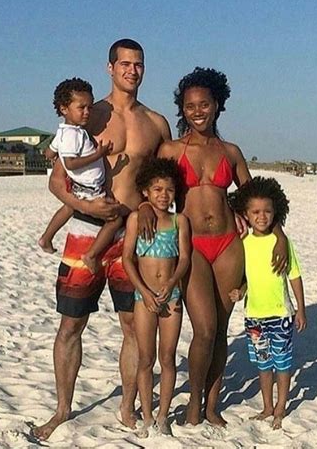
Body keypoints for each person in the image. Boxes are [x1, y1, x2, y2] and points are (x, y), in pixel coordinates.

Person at [32, 39, 171, 441]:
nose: (132, 70)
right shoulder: (90, 116)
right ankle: (62, 409)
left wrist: (146, 206)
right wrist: (87, 207)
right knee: (71, 325)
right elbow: (57, 181)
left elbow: (160, 182)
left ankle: (127, 406)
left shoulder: (156, 123)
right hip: (85, 230)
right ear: (109, 67)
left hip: (132, 234)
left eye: (138, 64)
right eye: (124, 63)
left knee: (134, 326)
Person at [147, 67, 288, 427]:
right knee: (205, 330)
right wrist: (146, 213)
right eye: (190, 106)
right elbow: (152, 189)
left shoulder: (231, 151)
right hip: (191, 244)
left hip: (229, 245)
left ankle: (212, 406)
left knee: (222, 330)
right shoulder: (171, 149)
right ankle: (194, 401)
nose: (197, 111)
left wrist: (281, 236)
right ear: (183, 109)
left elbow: (259, 200)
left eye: (204, 104)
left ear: (217, 106)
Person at [228, 176, 307, 430]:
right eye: (256, 212)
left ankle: (281, 407)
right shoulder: (244, 244)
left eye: (267, 211)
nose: (262, 217)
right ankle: (267, 406)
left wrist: (301, 309)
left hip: (280, 314)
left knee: (282, 365)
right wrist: (240, 292)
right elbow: (248, 278)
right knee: (263, 364)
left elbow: (294, 276)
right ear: (246, 215)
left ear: (276, 213)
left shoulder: (282, 243)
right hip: (254, 316)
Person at [122, 158, 190, 437]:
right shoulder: (137, 219)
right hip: (144, 297)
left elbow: (184, 258)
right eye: (157, 189)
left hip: (171, 297)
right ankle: (147, 414)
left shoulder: (179, 221)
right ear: (146, 192)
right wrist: (145, 292)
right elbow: (127, 258)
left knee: (168, 357)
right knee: (146, 358)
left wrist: (173, 282)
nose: (164, 195)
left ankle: (163, 415)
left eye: (170, 190)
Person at [38, 78, 123, 269]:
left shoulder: (63, 132)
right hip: (90, 190)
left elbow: (49, 152)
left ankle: (46, 238)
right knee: (115, 219)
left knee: (68, 207)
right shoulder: (72, 134)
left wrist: (52, 155)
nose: (87, 112)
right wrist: (98, 154)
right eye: (81, 107)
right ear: (64, 109)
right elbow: (71, 163)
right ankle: (91, 255)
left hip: (80, 188)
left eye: (90, 107)